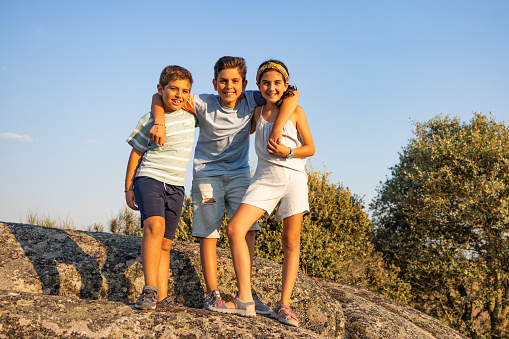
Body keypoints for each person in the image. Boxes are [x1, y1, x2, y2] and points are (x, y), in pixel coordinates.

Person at [150, 56, 299, 315]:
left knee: (247, 230)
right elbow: (157, 96)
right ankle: (212, 294)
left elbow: (292, 94)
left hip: (240, 175)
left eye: (235, 81)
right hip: (207, 176)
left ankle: (246, 293)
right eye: (223, 81)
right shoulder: (202, 103)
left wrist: (276, 130)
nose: (229, 86)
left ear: (244, 84)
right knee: (209, 232)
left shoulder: (253, 98)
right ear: (214, 82)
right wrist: (159, 122)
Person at [224, 60, 314, 325]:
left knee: (290, 241)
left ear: (285, 85)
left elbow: (310, 147)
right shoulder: (256, 111)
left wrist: (290, 151)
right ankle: (245, 297)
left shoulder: (296, 110)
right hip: (264, 178)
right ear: (257, 85)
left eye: (277, 83)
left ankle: (284, 304)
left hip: (294, 178)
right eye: (266, 82)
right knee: (235, 229)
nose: (271, 87)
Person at [125, 65, 197, 310]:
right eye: (172, 88)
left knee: (166, 243)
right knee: (154, 226)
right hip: (149, 178)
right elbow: (136, 154)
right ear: (161, 89)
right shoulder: (151, 120)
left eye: (184, 90)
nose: (178, 94)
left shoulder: (191, 116)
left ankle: (163, 298)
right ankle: (149, 289)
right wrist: (128, 187)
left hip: (177, 186)